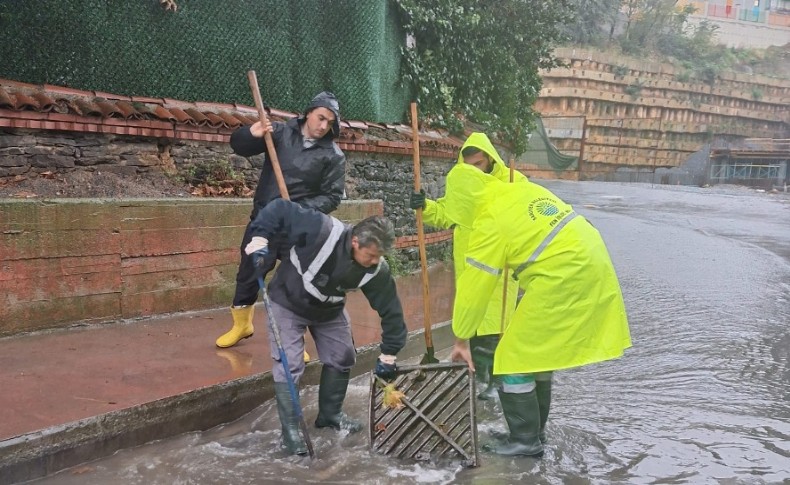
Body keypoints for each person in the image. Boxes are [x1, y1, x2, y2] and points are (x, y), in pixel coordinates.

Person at [450, 179, 632, 458]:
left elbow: (474, 287)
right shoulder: (519, 190)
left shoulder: (489, 219)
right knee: (536, 355)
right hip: (589, 259)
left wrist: (462, 336)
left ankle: (525, 440)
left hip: (563, 276)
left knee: (512, 358)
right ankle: (533, 431)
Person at [244, 199, 407, 455]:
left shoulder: (376, 270)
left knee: (343, 356)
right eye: (372, 255)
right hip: (287, 301)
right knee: (290, 363)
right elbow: (279, 209)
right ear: (356, 242)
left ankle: (330, 415)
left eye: (380, 257)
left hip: (328, 310)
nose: (376, 261)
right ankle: (291, 430)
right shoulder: (322, 229)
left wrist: (389, 353)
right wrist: (260, 239)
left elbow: (391, 311)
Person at [215, 91, 346, 351]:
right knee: (249, 274)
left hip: (298, 230)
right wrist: (249, 134)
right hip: (264, 221)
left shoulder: (333, 155)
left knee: (296, 284)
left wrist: (299, 211)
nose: (323, 126)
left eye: (329, 122)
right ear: (308, 112)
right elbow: (240, 147)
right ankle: (242, 325)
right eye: (320, 118)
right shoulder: (279, 133)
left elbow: (331, 197)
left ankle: (293, 341)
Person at [409, 132, 527, 399]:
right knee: (473, 325)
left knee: (494, 327)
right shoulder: (462, 187)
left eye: (479, 165)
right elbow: (447, 214)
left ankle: (492, 387)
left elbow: (525, 218)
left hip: (500, 270)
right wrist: (425, 206)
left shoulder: (512, 181)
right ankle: (483, 383)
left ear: (491, 161)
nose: (474, 171)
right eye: (469, 166)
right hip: (470, 266)